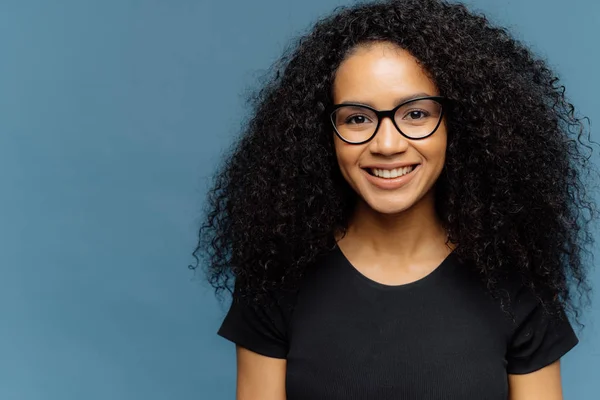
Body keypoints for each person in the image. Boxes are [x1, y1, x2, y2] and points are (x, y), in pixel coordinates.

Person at [192, 0, 598, 398]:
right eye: (357, 118)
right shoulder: (276, 280)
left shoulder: (516, 283)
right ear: (323, 136)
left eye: (416, 114)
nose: (387, 144)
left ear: (461, 125)